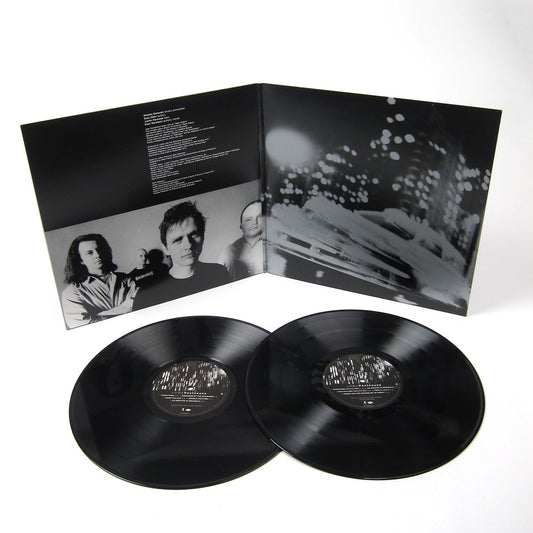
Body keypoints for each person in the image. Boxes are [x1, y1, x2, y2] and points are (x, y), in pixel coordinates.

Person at [133, 202, 230, 311]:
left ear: (202, 237)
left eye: (194, 235)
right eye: (178, 240)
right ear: (166, 248)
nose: (188, 245)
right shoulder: (146, 295)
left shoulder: (219, 273)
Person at [61, 234, 137, 329]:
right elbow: (84, 327)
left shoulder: (125, 279)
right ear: (80, 260)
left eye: (100, 250)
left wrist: (99, 316)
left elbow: (139, 305)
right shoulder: (72, 292)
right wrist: (124, 309)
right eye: (89, 253)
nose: (98, 255)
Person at [219, 200, 264, 280]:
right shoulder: (229, 252)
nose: (255, 222)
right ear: (241, 226)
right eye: (248, 219)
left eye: (259, 217)